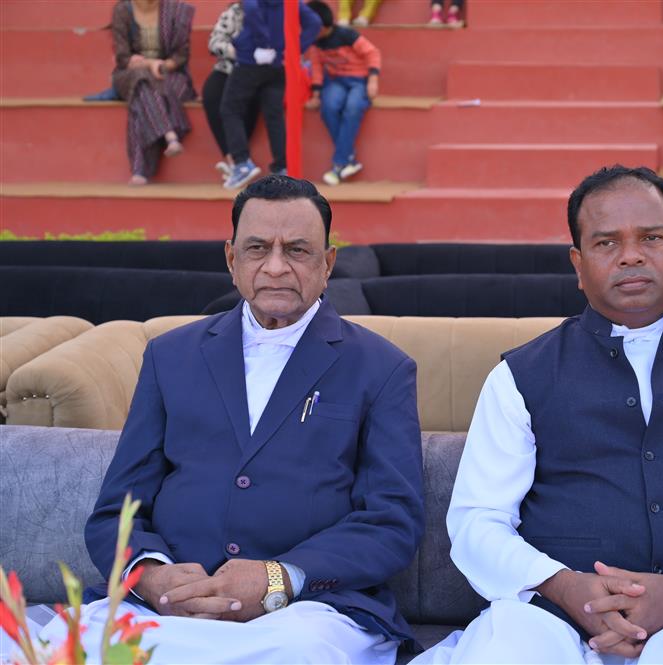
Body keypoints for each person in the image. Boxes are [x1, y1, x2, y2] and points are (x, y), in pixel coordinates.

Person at [414, 166, 663, 665]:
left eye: (651, 238)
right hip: (546, 614)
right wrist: (564, 587)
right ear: (578, 265)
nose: (631, 255)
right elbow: (478, 521)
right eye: (606, 243)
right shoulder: (520, 377)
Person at [38, 175, 424, 663]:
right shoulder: (169, 356)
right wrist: (152, 576)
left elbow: (392, 522)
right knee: (69, 647)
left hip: (308, 610)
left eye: (298, 250)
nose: (276, 267)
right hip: (168, 606)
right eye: (257, 248)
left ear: (327, 264)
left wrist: (280, 578)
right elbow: (118, 509)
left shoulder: (381, 368)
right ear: (231, 259)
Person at [221, 1, 322, 189]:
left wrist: (264, 43)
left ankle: (242, 163)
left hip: (250, 60)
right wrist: (293, 50)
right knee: (274, 115)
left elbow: (251, 9)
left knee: (230, 109)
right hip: (278, 64)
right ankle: (282, 167)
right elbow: (315, 22)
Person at [110, 0, 195, 186]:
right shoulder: (123, 10)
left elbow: (181, 55)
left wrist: (162, 66)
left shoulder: (176, 10)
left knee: (141, 97)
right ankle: (169, 133)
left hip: (169, 73)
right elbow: (123, 57)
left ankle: (140, 171)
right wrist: (149, 64)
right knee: (142, 77)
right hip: (130, 73)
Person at [306, 0, 382, 186]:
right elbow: (316, 67)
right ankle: (349, 158)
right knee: (329, 107)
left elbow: (372, 53)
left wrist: (373, 80)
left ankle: (339, 164)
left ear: (321, 27)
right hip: (336, 81)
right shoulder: (315, 43)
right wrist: (316, 94)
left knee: (353, 108)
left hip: (359, 80)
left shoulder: (347, 35)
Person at [202, 2, 259, 181]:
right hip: (228, 67)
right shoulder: (234, 12)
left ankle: (239, 161)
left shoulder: (271, 11)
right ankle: (233, 159)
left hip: (256, 71)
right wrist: (235, 52)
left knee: (248, 100)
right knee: (211, 93)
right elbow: (214, 41)